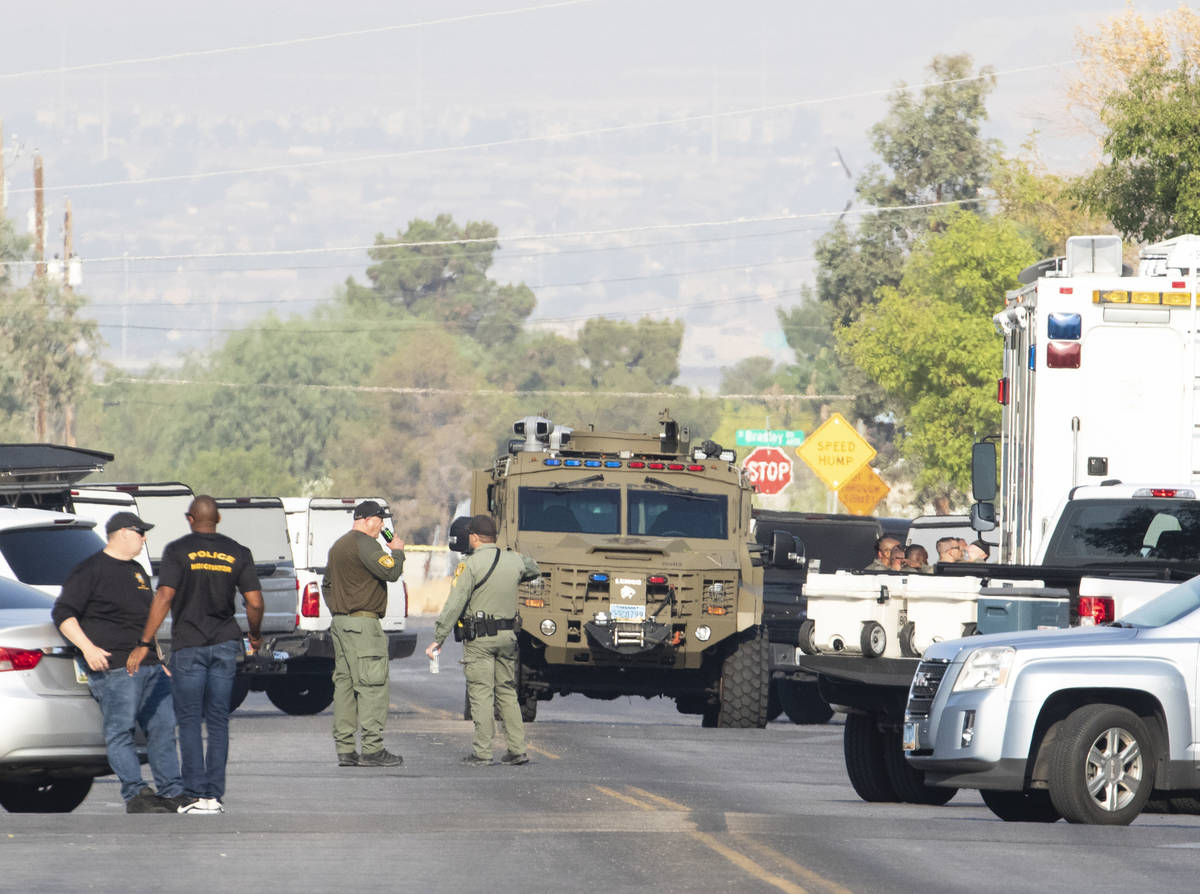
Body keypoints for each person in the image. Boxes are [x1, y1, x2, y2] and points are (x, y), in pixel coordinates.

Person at [128, 495, 264, 815]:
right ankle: (213, 796)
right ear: (217, 519)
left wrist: (145, 641)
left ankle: (193, 794)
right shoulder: (237, 552)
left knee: (188, 721)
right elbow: (255, 602)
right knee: (218, 721)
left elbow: (164, 596)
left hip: (189, 645)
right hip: (225, 643)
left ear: (191, 519)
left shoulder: (178, 551)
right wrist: (255, 635)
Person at [51, 511, 186, 814]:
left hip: (150, 665)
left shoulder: (137, 570)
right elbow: (63, 613)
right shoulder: (90, 570)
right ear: (123, 533)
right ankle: (135, 793)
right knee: (120, 730)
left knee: (163, 727)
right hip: (115, 668)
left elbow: (145, 619)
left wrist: (159, 658)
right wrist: (88, 649)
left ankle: (172, 792)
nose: (144, 538)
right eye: (141, 532)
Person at [426, 515, 539, 766]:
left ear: (474, 537)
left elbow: (455, 604)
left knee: (481, 694)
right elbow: (534, 568)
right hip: (508, 637)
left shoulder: (471, 565)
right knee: (507, 692)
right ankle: (517, 749)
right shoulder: (512, 560)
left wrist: (438, 638)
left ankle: (482, 752)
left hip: (479, 640)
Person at [323, 500, 405, 768]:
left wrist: (340, 609)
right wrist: (397, 552)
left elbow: (327, 586)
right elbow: (391, 572)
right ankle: (372, 748)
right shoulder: (367, 544)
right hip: (363, 625)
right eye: (380, 520)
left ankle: (345, 749)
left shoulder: (339, 545)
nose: (382, 525)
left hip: (341, 623)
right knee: (372, 685)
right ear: (368, 519)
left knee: (345, 686)